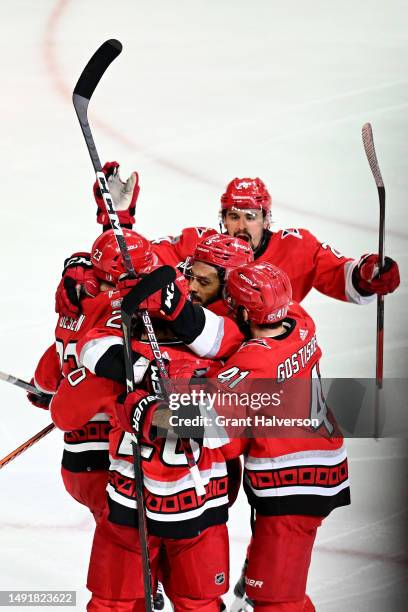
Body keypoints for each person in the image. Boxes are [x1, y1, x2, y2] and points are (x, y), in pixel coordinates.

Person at [50, 292, 235, 612]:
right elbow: (236, 434)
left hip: (129, 509)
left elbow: (63, 415)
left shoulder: (111, 368)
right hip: (202, 507)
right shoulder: (220, 362)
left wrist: (143, 411)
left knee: (115, 603)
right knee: (200, 603)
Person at [28, 229, 155, 521]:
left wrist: (43, 389)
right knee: (128, 541)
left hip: (75, 457)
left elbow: (49, 372)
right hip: (105, 458)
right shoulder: (120, 310)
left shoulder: (73, 301)